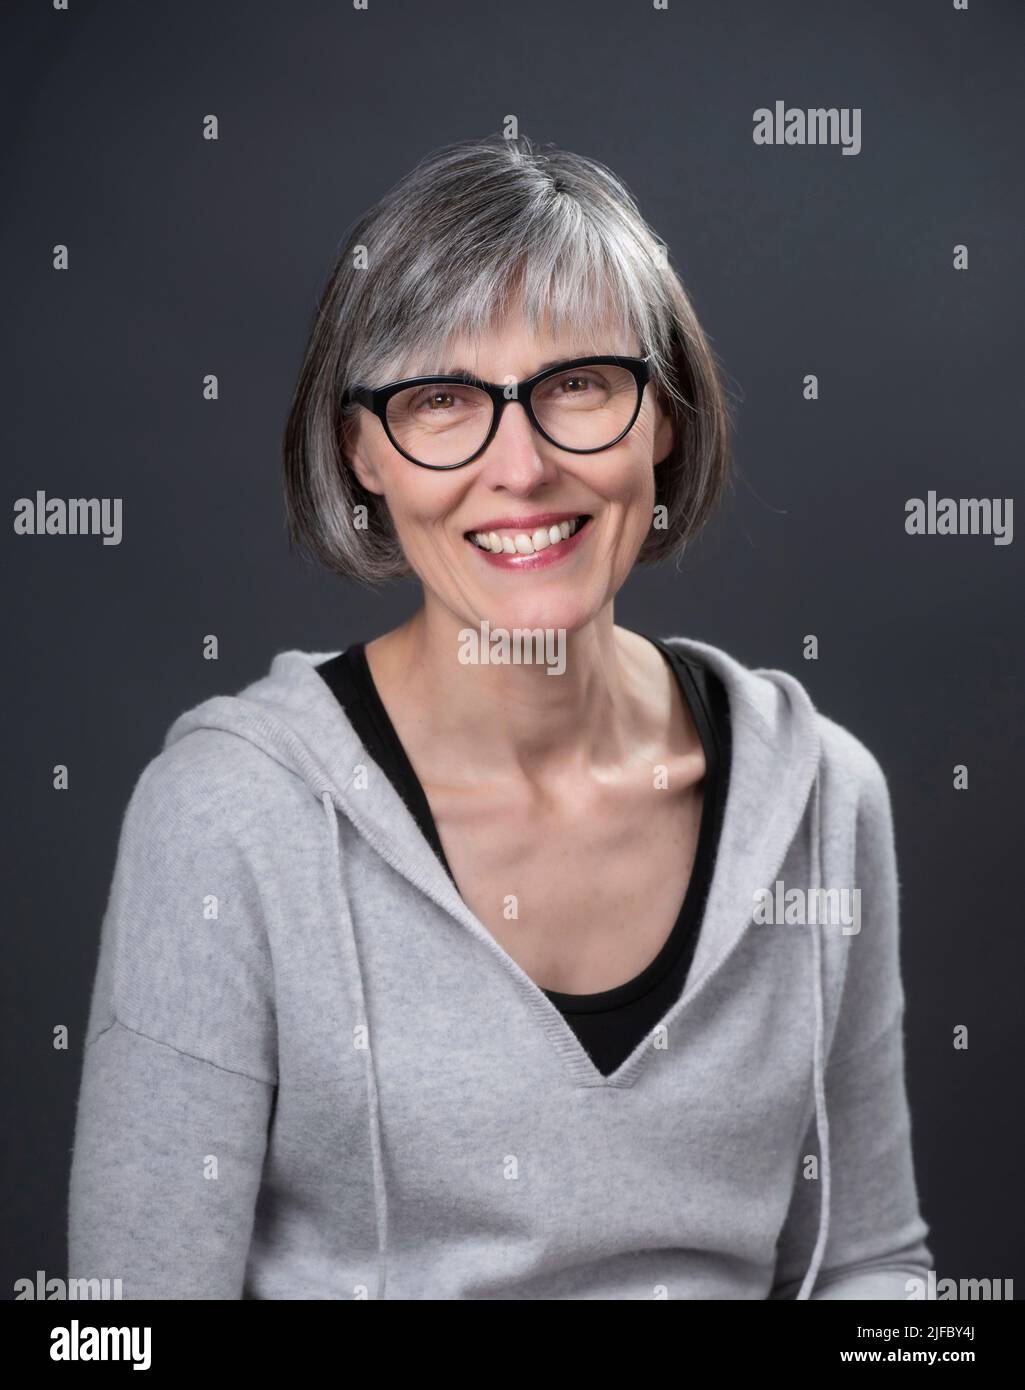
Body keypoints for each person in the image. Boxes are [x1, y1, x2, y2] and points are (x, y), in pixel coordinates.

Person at [68, 132, 932, 1299]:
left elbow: (869, 1265)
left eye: (578, 383)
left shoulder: (826, 798)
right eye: (440, 400)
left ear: (664, 414)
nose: (519, 468)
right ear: (361, 451)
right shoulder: (228, 815)